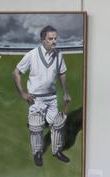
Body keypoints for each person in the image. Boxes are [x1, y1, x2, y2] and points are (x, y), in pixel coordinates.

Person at [12, 25, 71, 167]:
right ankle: (37, 153)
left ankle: (57, 151)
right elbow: (16, 73)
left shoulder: (59, 55)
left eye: (55, 38)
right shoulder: (32, 54)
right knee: (36, 127)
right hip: (35, 98)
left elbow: (62, 73)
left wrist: (65, 92)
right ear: (42, 40)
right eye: (50, 39)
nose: (54, 41)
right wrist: (22, 93)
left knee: (57, 125)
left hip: (52, 97)